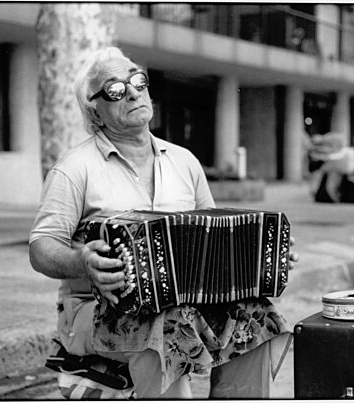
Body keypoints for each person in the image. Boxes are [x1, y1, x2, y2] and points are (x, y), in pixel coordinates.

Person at [29, 47, 297, 399]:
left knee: (256, 315)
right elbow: (40, 247)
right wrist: (81, 262)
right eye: (115, 89)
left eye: (138, 81)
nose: (133, 92)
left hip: (185, 304)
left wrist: (266, 254)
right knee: (166, 328)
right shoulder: (74, 169)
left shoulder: (184, 161)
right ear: (95, 107)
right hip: (96, 310)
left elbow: (221, 236)